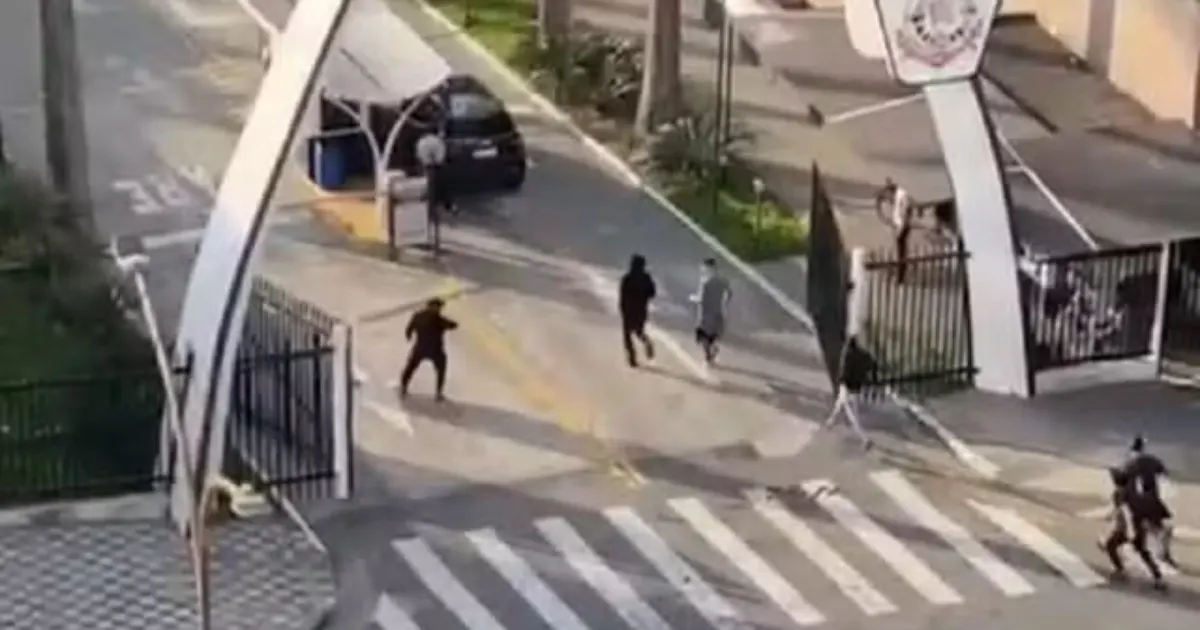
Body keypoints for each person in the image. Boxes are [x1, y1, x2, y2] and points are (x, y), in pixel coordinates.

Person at [1101, 466, 1166, 590]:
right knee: (1143, 552)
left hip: (1127, 528)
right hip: (1138, 526)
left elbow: (1124, 511)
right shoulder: (1132, 492)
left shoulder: (1119, 493)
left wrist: (1127, 529)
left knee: (1111, 546)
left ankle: (1120, 570)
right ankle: (1157, 576)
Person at [1123, 435, 1176, 568]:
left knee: (1138, 527)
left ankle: (1141, 548)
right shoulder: (1150, 460)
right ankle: (1163, 554)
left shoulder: (1129, 461)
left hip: (1135, 500)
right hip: (1150, 500)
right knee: (1164, 528)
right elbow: (1164, 473)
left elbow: (1123, 479)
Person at [399, 298, 458, 401]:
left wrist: (408, 336)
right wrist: (453, 324)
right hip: (435, 350)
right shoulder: (439, 319)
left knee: (410, 368)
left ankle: (403, 387)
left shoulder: (418, 316)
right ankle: (438, 393)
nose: (439, 309)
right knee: (441, 370)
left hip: (420, 348)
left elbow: (409, 328)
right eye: (439, 307)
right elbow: (452, 325)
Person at [821, 335, 873, 450]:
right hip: (856, 388)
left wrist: (840, 381)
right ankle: (831, 421)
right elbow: (870, 364)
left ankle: (865, 438)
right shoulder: (863, 355)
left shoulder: (848, 356)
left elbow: (844, 372)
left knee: (852, 415)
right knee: (840, 402)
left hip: (847, 387)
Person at [618, 254, 657, 368]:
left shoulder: (627, 278)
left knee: (627, 335)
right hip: (641, 310)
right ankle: (647, 342)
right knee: (639, 332)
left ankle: (632, 357)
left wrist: (622, 309)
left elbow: (622, 295)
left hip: (628, 311)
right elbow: (652, 293)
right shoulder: (646, 278)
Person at [691, 258, 731, 364]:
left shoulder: (705, 281)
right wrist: (725, 303)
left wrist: (692, 298)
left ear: (707, 268)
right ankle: (712, 349)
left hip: (705, 313)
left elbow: (701, 298)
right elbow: (729, 292)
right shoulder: (722, 280)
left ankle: (708, 355)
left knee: (702, 335)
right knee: (713, 334)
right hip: (718, 311)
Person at [876, 178, 913, 284]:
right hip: (899, 225)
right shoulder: (897, 195)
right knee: (900, 251)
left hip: (903, 227)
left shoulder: (902, 195)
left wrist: (901, 228)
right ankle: (899, 273)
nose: (888, 198)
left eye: (888, 194)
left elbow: (907, 211)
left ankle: (901, 277)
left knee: (901, 252)